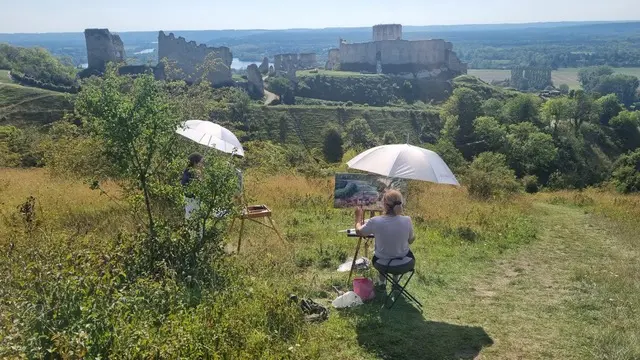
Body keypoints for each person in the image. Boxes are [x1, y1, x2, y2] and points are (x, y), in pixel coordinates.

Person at [354, 189, 415, 288]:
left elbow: (359, 231)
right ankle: (395, 283)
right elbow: (411, 240)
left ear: (384, 204)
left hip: (382, 265)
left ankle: (382, 284)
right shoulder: (407, 220)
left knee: (383, 255)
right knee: (398, 252)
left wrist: (358, 217)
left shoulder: (375, 221)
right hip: (405, 264)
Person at [182, 152, 203, 220]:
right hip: (192, 203)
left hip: (192, 204)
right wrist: (199, 178)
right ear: (195, 163)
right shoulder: (189, 174)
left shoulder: (190, 172)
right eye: (201, 162)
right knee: (192, 221)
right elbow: (199, 190)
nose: (202, 165)